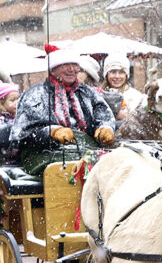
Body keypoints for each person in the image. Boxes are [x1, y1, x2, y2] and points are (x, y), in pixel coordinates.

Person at [9, 46, 116, 175]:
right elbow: (22, 135)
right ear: (53, 69)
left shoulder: (88, 93)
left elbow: (103, 115)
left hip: (86, 151)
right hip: (43, 155)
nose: (71, 69)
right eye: (65, 64)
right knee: (70, 170)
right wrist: (52, 132)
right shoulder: (34, 95)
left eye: (74, 65)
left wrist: (105, 128)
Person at [77, 54, 124, 120]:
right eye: (113, 72)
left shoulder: (95, 94)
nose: (117, 76)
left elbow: (122, 116)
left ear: (89, 75)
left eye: (80, 71)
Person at [102, 52, 145, 120]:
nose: (117, 76)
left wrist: (126, 118)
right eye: (113, 72)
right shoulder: (99, 94)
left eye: (121, 72)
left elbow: (140, 120)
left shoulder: (135, 96)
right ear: (106, 74)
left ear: (126, 75)